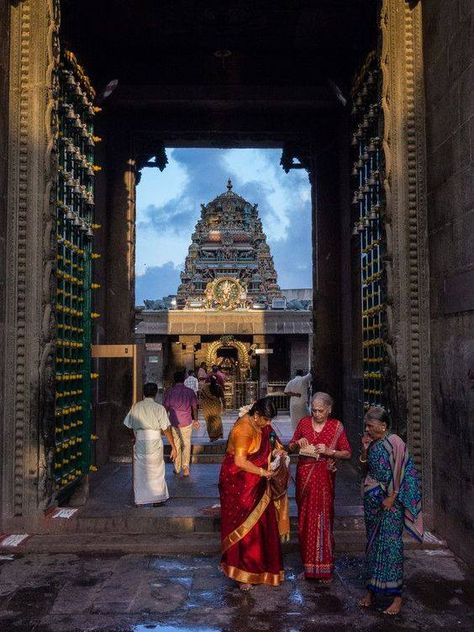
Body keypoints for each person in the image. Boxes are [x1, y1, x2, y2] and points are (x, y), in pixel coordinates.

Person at [219, 398, 290, 591]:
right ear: (256, 415)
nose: (269, 424)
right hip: (240, 482)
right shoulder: (243, 429)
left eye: (270, 420)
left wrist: (279, 454)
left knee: (264, 525)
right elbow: (240, 462)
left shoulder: (263, 427)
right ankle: (242, 573)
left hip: (259, 483)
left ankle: (265, 569)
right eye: (266, 419)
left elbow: (275, 443)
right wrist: (263, 472)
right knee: (245, 528)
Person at [359, 406, 423, 616]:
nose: (367, 429)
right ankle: (371, 592)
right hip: (372, 499)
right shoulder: (372, 442)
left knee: (391, 547)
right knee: (372, 544)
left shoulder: (395, 442)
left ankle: (396, 598)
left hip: (390, 502)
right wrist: (365, 449)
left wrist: (392, 496)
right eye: (366, 425)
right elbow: (365, 469)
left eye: (371, 425)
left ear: (383, 426)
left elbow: (402, 471)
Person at [289, 392, 351, 582]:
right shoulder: (304, 424)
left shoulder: (336, 426)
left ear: (329, 410)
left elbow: (347, 453)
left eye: (321, 411)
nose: (316, 414)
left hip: (324, 480)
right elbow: (290, 446)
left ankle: (324, 568)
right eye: (314, 410)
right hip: (305, 477)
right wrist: (297, 444)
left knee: (323, 520)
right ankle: (308, 567)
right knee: (305, 521)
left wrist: (329, 451)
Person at [123, 382, 178, 506]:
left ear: (143, 393)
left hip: (140, 440)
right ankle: (157, 499)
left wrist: (134, 437)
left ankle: (140, 499)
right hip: (155, 441)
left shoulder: (136, 407)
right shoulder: (159, 408)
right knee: (157, 471)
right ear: (155, 393)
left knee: (140, 471)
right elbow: (166, 429)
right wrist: (173, 447)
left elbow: (128, 424)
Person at [163, 370, 200, 477]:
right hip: (187, 421)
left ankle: (177, 467)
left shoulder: (170, 392)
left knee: (176, 444)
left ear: (174, 380)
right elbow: (194, 407)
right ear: (184, 379)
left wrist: (164, 421)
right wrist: (196, 420)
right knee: (186, 444)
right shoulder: (190, 392)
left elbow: (165, 408)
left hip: (174, 422)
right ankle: (185, 468)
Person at [200, 374, 225, 441]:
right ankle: (218, 435)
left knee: (209, 422)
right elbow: (222, 398)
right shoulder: (219, 387)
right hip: (216, 407)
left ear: (209, 380)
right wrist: (224, 407)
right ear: (216, 380)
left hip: (207, 408)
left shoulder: (204, 387)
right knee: (217, 420)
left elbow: (201, 397)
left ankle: (212, 436)